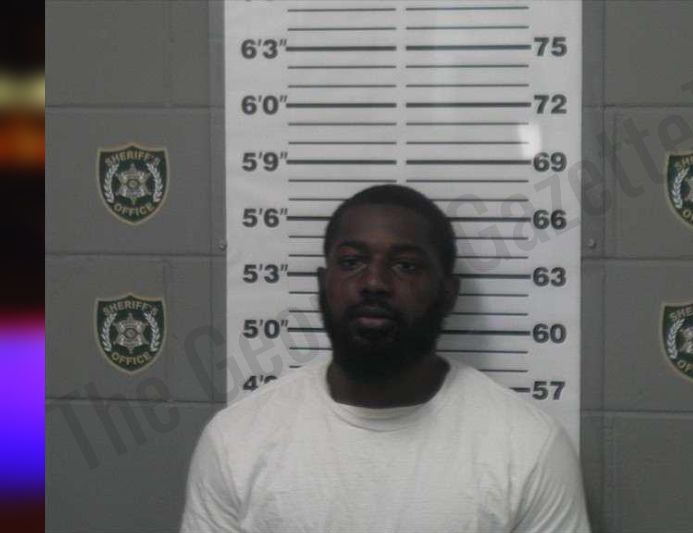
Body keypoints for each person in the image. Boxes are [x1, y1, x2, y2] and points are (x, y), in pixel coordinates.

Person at [180, 184, 591, 532]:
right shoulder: (236, 441)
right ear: (323, 284)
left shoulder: (528, 448)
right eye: (351, 262)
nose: (374, 282)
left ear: (449, 293)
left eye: (406, 265)